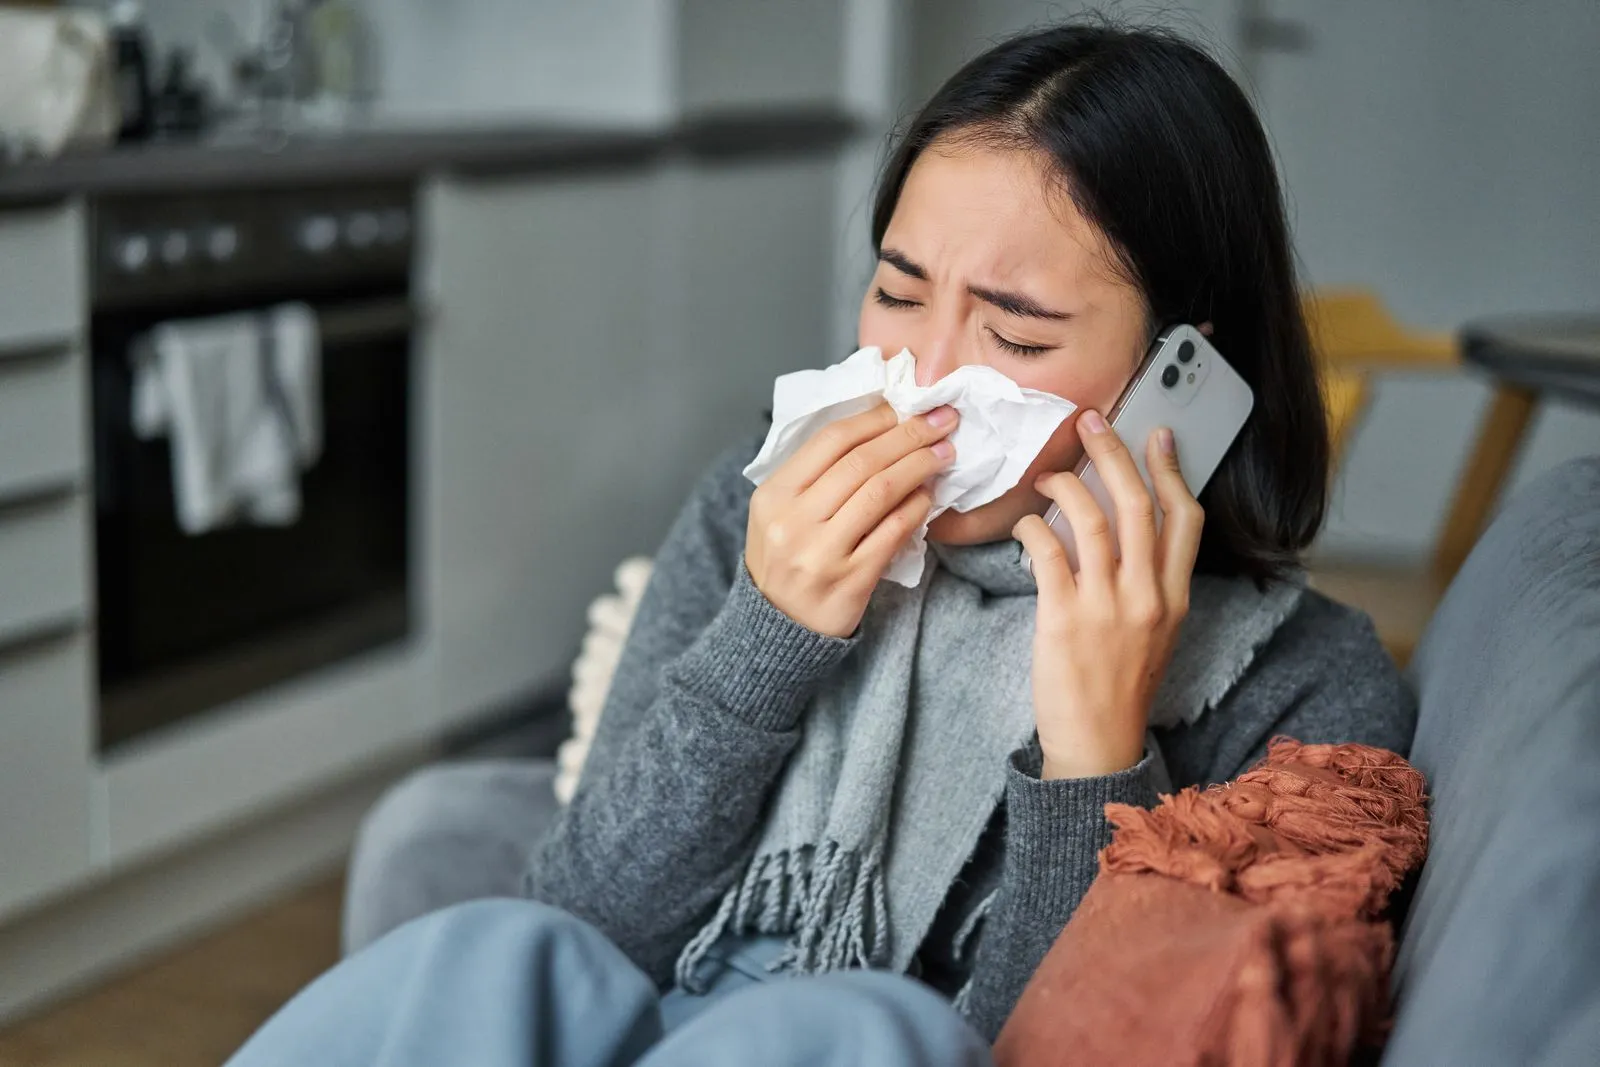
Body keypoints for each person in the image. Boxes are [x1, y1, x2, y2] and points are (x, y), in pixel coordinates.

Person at [258, 22, 1416, 1065]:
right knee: (497, 954)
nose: (928, 379)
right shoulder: (754, 512)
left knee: (864, 1026)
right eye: (899, 293)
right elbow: (587, 918)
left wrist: (1095, 760)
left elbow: (1051, 1046)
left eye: (1013, 330)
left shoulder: (1306, 687)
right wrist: (769, 634)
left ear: (1185, 377)